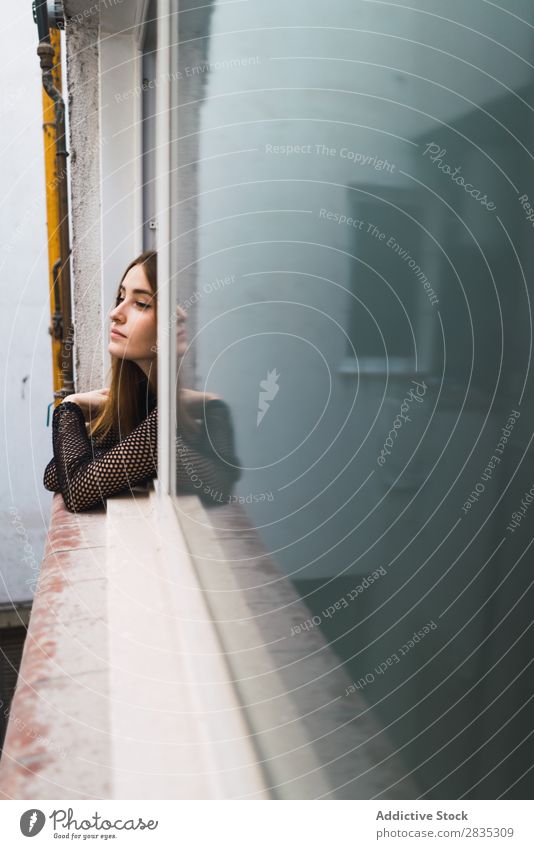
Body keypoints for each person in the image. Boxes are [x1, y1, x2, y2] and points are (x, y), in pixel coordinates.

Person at [43, 250, 240, 512]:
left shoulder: (172, 421)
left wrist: (70, 406)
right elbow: (55, 474)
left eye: (141, 303)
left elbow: (78, 490)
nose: (115, 313)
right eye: (121, 297)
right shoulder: (143, 400)